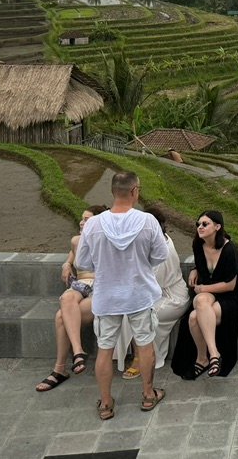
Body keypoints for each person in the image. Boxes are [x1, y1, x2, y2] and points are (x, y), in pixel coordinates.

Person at [76, 171, 168, 420]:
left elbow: (83, 261)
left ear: (113, 191)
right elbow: (160, 255)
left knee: (105, 349)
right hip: (138, 293)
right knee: (145, 345)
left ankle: (106, 403)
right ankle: (148, 394)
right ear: (135, 191)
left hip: (107, 296)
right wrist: (139, 263)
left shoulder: (94, 225)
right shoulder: (147, 221)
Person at [35, 204, 107, 391]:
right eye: (82, 219)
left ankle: (59, 369)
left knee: (61, 317)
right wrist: (66, 264)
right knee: (66, 300)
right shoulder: (77, 241)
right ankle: (78, 351)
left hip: (100, 288)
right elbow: (72, 254)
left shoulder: (105, 239)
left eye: (87, 220)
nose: (82, 223)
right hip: (79, 286)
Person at [170, 210, 238, 379]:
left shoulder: (229, 249)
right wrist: (194, 269)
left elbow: (231, 285)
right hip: (209, 294)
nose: (200, 227)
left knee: (193, 317)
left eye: (205, 224)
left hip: (232, 295)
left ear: (217, 227)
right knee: (198, 304)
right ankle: (212, 355)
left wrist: (203, 289)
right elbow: (201, 265)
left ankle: (204, 358)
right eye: (198, 224)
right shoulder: (198, 245)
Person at [116, 206, 190, 378]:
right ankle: (135, 353)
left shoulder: (163, 250)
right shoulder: (155, 241)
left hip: (173, 297)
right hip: (154, 293)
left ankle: (139, 358)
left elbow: (150, 284)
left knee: (139, 315)